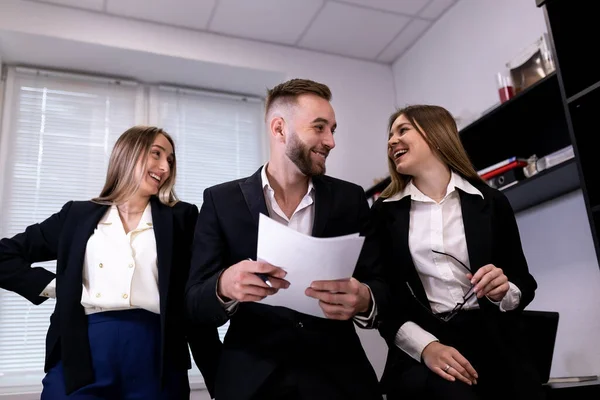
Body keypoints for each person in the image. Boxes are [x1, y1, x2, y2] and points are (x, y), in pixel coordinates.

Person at [185, 78, 388, 400]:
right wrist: (224, 285)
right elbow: (194, 303)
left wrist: (364, 298)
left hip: (340, 377)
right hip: (252, 379)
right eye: (319, 128)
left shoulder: (350, 199)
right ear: (279, 129)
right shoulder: (221, 201)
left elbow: (382, 283)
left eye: (333, 129)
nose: (331, 141)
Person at [0, 126, 221, 399]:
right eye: (156, 154)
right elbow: (4, 255)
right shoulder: (76, 216)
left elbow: (194, 295)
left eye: (170, 160)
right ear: (127, 155)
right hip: (82, 353)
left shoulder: (182, 218)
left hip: (157, 355)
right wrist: (57, 286)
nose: (164, 166)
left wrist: (220, 380)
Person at [374, 105, 545, 400]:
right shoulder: (383, 214)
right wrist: (426, 347)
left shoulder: (491, 202)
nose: (391, 141)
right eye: (389, 135)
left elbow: (523, 282)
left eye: (402, 130)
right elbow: (384, 302)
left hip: (496, 342)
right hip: (426, 344)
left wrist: (503, 290)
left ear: (437, 135)